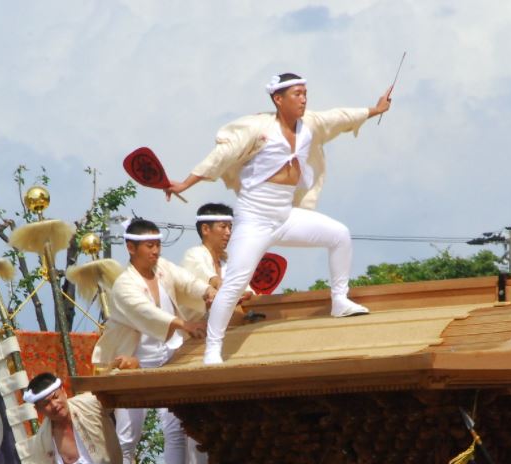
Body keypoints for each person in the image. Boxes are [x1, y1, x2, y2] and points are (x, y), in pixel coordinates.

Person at [164, 72, 393, 365]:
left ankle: (340, 301)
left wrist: (375, 110)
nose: (303, 99)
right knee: (234, 283)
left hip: (286, 214)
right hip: (254, 218)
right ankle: (213, 349)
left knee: (339, 235)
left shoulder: (309, 124)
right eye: (296, 94)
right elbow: (222, 155)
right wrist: (184, 183)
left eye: (305, 93)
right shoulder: (259, 129)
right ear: (278, 99)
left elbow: (339, 117)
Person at [92, 217, 216, 464]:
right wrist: (182, 324)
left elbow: (188, 283)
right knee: (127, 435)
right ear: (131, 247)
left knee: (175, 429)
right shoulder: (123, 284)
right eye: (150, 245)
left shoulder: (163, 269)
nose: (156, 250)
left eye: (158, 244)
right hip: (133, 361)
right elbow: (145, 313)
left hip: (170, 357)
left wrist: (209, 290)